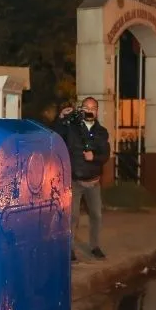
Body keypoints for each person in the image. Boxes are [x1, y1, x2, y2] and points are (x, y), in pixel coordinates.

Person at [54, 96, 110, 261]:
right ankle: (69, 249)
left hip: (93, 181)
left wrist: (95, 157)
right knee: (73, 217)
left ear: (97, 112)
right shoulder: (71, 128)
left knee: (96, 215)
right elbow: (56, 135)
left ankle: (95, 246)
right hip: (75, 180)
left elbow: (105, 154)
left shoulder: (101, 132)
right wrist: (61, 117)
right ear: (81, 109)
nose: (89, 110)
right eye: (86, 107)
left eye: (93, 108)